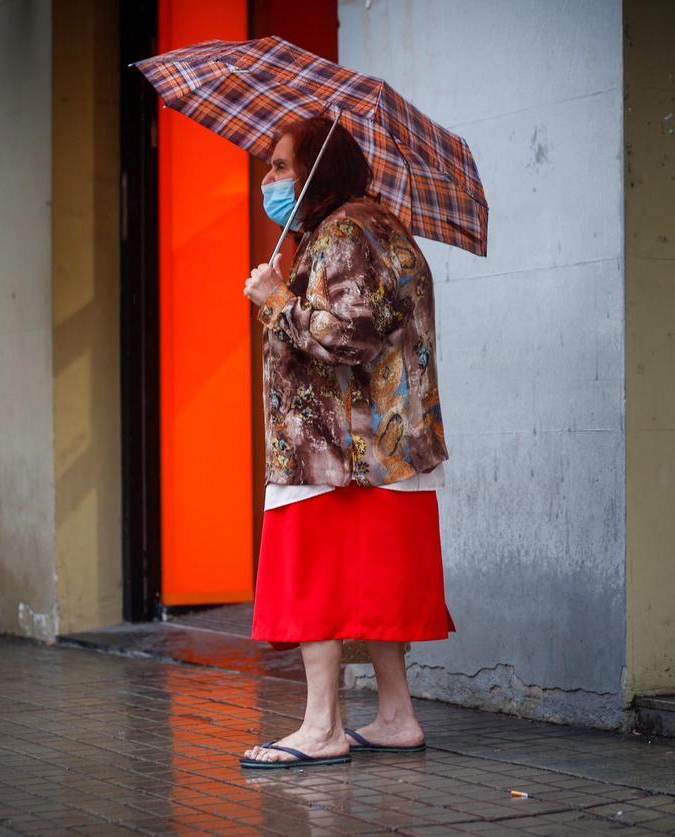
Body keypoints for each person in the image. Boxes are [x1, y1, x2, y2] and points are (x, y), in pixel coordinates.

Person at [239, 115, 456, 768]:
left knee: (316, 584)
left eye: (280, 166)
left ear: (317, 171)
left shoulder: (347, 230)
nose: (268, 179)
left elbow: (346, 336)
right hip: (372, 448)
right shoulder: (361, 226)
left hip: (337, 451)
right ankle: (394, 714)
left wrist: (276, 299)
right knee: (371, 588)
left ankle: (320, 725)